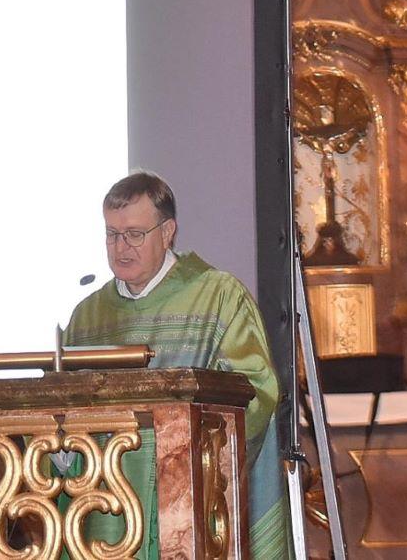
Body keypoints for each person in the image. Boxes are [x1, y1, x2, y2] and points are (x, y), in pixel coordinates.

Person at [65, 171, 288, 559]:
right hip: (102, 508)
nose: (121, 247)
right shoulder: (87, 316)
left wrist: (186, 453)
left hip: (189, 502)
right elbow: (61, 407)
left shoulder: (219, 297)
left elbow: (257, 391)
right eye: (112, 234)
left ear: (168, 232)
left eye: (135, 234)